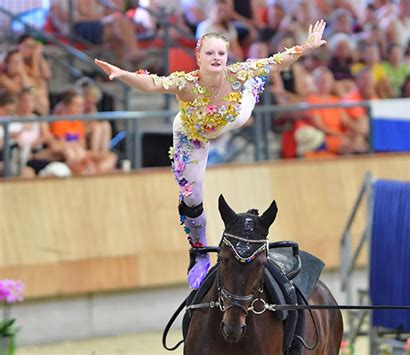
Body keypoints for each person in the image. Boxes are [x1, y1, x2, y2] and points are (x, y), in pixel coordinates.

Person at [95, 20, 328, 289]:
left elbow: (278, 61)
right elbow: (152, 84)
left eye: (221, 53)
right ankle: (198, 252)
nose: (216, 58)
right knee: (190, 199)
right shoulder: (186, 83)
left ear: (227, 57)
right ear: (199, 56)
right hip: (191, 133)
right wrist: (121, 73)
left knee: (245, 106)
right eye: (210, 53)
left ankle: (253, 86)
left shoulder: (236, 72)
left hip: (229, 118)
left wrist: (307, 47)